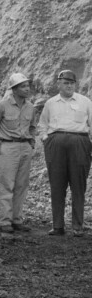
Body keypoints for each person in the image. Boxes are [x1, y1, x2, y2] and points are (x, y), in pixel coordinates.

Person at [37, 69, 92, 237]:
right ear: (58, 84)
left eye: (72, 83)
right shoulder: (50, 103)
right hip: (55, 144)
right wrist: (46, 139)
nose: (69, 86)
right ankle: (58, 226)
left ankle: (77, 226)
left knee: (78, 185)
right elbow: (42, 124)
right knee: (57, 185)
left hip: (80, 142)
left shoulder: (85, 102)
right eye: (66, 83)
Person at [0, 73, 37, 234]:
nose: (27, 89)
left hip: (25, 147)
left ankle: (17, 220)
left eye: (27, 85)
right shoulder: (2, 106)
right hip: (8, 147)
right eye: (23, 86)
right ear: (14, 89)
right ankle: (5, 221)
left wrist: (31, 143)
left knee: (21, 185)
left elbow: (33, 127)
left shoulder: (30, 107)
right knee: (7, 185)